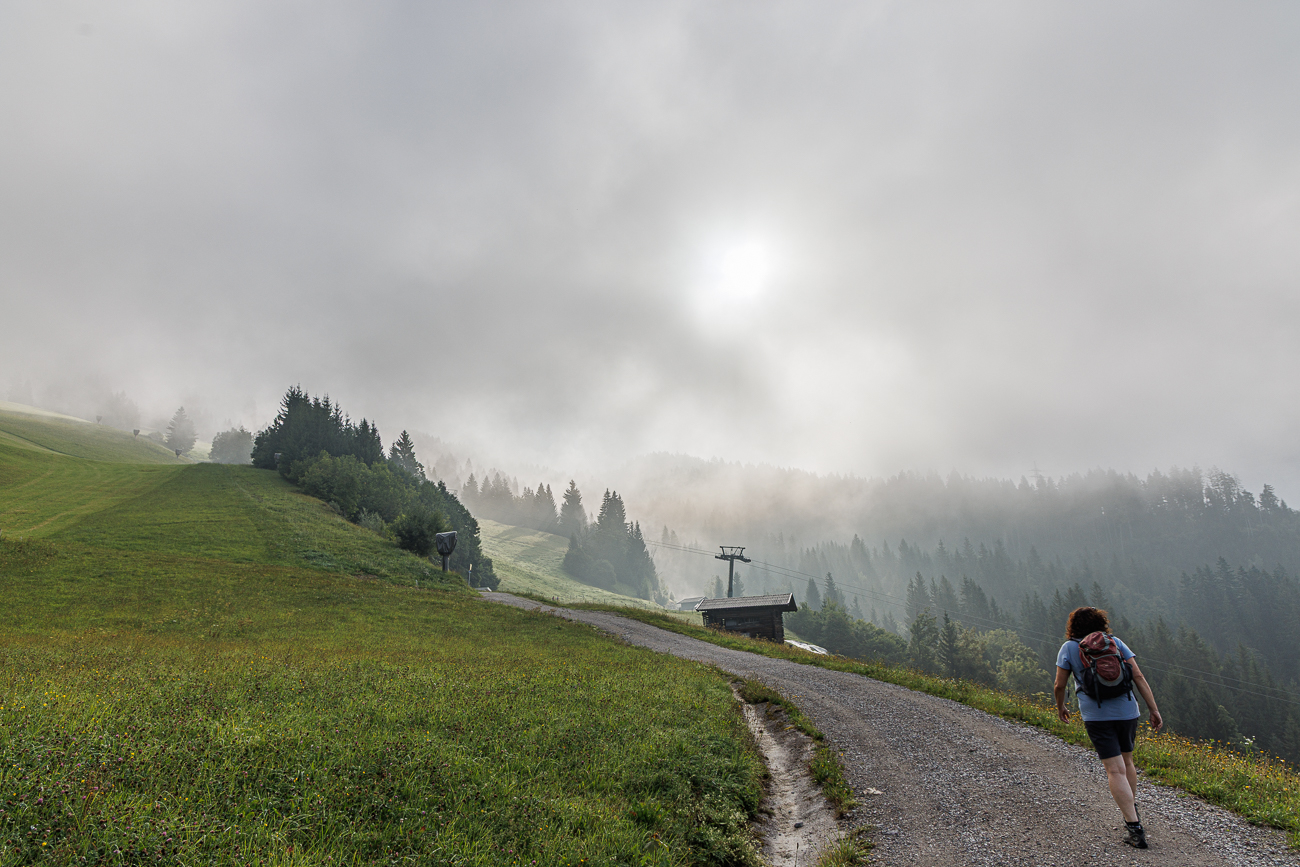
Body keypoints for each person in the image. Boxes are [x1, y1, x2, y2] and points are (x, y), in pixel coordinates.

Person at [1054, 606, 1163, 849]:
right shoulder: (1115, 642)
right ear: (1101, 623)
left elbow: (1059, 684)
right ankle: (1131, 811)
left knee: (1114, 770)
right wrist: (1153, 709)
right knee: (1127, 763)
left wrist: (1061, 706)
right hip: (1127, 711)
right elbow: (1139, 677)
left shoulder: (1070, 648)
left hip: (1096, 715)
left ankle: (1134, 828)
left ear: (1073, 626)